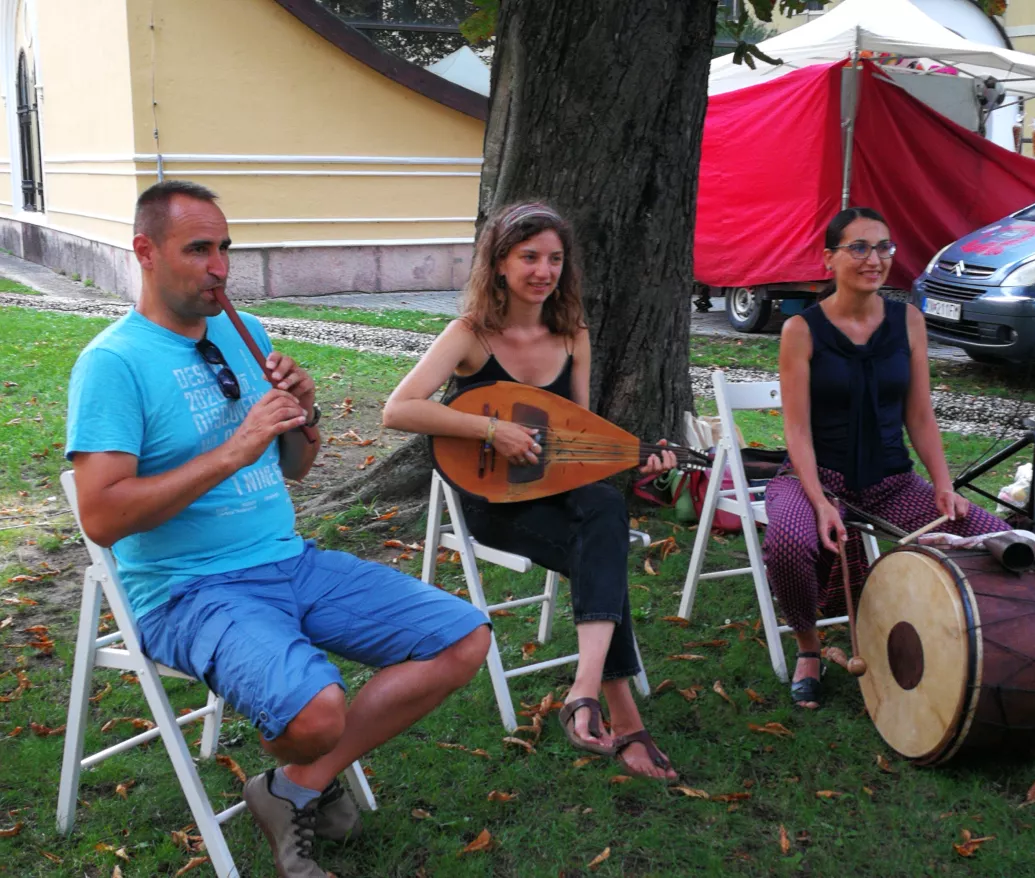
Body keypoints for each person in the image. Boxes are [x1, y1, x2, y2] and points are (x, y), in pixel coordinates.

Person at [66, 180, 491, 878]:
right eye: (198, 249)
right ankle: (310, 770)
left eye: (225, 248)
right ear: (144, 251)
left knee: (462, 638)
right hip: (188, 589)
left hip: (288, 560)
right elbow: (102, 516)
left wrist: (306, 414)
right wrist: (233, 449)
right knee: (317, 714)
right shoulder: (113, 364)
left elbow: (295, 467)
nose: (220, 267)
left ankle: (292, 787)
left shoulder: (247, 334)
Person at [383, 201, 678, 780]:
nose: (544, 271)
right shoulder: (469, 335)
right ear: (498, 264)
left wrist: (646, 465)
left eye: (555, 259)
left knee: (606, 508)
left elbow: (576, 443)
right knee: (604, 546)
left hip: (558, 495)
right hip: (492, 505)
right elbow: (397, 410)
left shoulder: (572, 337)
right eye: (529, 257)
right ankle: (622, 717)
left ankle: (585, 691)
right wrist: (492, 428)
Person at [763, 206, 1007, 710]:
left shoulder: (908, 321)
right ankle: (809, 646)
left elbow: (919, 415)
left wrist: (943, 485)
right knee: (789, 540)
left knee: (993, 538)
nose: (874, 259)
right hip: (816, 480)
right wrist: (820, 501)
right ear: (828, 258)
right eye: (859, 247)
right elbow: (798, 431)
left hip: (892, 484)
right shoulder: (801, 331)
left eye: (883, 247)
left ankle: (983, 649)